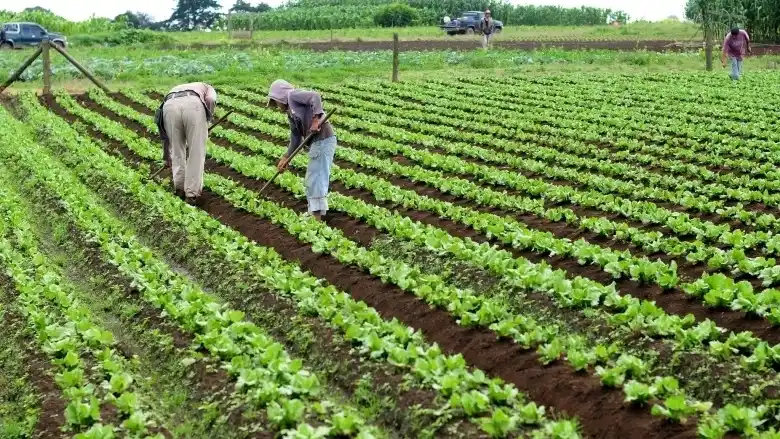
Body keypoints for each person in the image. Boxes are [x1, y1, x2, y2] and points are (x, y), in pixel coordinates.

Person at [267, 79, 337, 221]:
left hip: (323, 139)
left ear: (280, 95)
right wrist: (286, 157)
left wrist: (316, 120)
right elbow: (295, 137)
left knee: (315, 178)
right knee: (316, 177)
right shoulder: (290, 113)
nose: (276, 105)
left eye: (275, 101)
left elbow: (314, 96)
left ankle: (316, 217)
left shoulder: (292, 95)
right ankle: (316, 213)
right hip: (318, 142)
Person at [155, 82, 217, 205]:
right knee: (196, 151)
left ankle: (179, 189)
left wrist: (166, 155)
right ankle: (191, 194)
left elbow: (164, 133)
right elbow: (210, 99)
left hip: (169, 106)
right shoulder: (208, 87)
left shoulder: (175, 88)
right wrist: (207, 120)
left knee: (177, 149)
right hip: (193, 105)